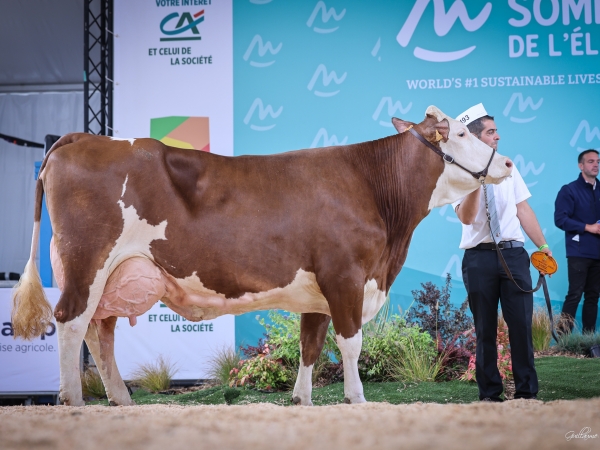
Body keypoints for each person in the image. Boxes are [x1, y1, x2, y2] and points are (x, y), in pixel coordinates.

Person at [452, 103, 552, 402]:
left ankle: (527, 395)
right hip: (479, 258)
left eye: (496, 131)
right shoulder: (457, 172)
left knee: (521, 326)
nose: (497, 137)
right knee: (485, 329)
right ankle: (490, 396)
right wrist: (476, 181)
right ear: (475, 137)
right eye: (491, 132)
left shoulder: (509, 165)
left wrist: (543, 248)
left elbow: (523, 208)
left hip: (514, 255)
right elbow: (467, 218)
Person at [554, 149, 600, 334]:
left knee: (593, 296)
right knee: (575, 294)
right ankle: (563, 339)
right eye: (590, 161)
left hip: (598, 253)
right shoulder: (569, 190)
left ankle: (589, 341)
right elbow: (560, 220)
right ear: (581, 166)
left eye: (597, 161)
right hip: (579, 252)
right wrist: (588, 227)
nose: (595, 164)